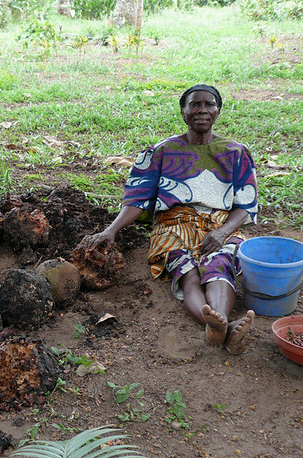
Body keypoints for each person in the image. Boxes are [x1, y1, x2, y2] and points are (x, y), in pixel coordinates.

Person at [79, 85, 258, 354]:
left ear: (218, 111)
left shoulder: (235, 152)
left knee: (220, 266)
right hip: (172, 225)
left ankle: (218, 326)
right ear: (183, 112)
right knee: (187, 273)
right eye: (194, 104)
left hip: (219, 224)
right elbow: (137, 199)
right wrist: (111, 230)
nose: (202, 110)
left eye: (209, 104)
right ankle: (224, 328)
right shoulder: (161, 152)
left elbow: (245, 205)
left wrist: (223, 232)